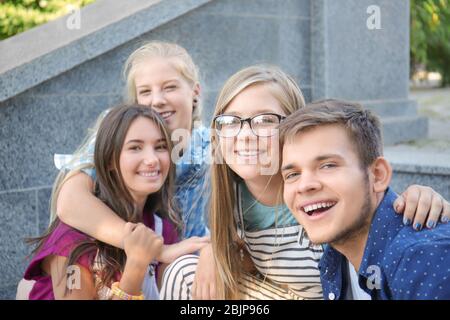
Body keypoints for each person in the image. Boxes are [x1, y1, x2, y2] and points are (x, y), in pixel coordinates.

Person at [160, 65, 450, 300]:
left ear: (296, 129)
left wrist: (424, 199)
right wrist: (216, 250)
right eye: (230, 121)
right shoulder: (231, 192)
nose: (245, 134)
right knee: (185, 272)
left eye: (264, 121)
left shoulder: (330, 207)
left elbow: (377, 204)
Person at [23, 105, 209, 300]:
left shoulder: (163, 229)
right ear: (110, 159)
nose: (152, 159)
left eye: (160, 146)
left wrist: (209, 255)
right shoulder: (69, 238)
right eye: (135, 147)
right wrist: (136, 264)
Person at [280, 99, 450, 300]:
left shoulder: (422, 258)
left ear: (378, 175)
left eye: (328, 165)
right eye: (292, 175)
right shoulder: (333, 258)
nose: (304, 185)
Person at [53, 41, 210, 243]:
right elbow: (70, 202)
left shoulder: (206, 141)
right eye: (145, 92)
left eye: (170, 87)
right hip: (126, 255)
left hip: (191, 255)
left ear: (194, 92)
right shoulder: (121, 131)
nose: (157, 100)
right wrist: (148, 248)